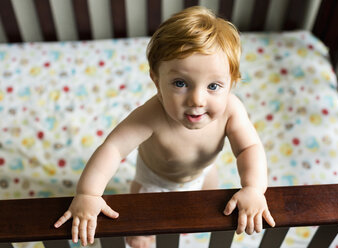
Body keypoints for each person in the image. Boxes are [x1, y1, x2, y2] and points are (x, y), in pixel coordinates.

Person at [54, 6, 275, 248]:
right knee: (138, 228)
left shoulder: (232, 110)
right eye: (181, 83)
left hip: (203, 175)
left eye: (213, 86)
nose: (198, 100)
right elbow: (114, 148)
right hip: (153, 182)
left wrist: (254, 188)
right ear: (157, 81)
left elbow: (249, 148)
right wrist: (89, 193)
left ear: (231, 83)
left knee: (212, 211)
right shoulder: (152, 115)